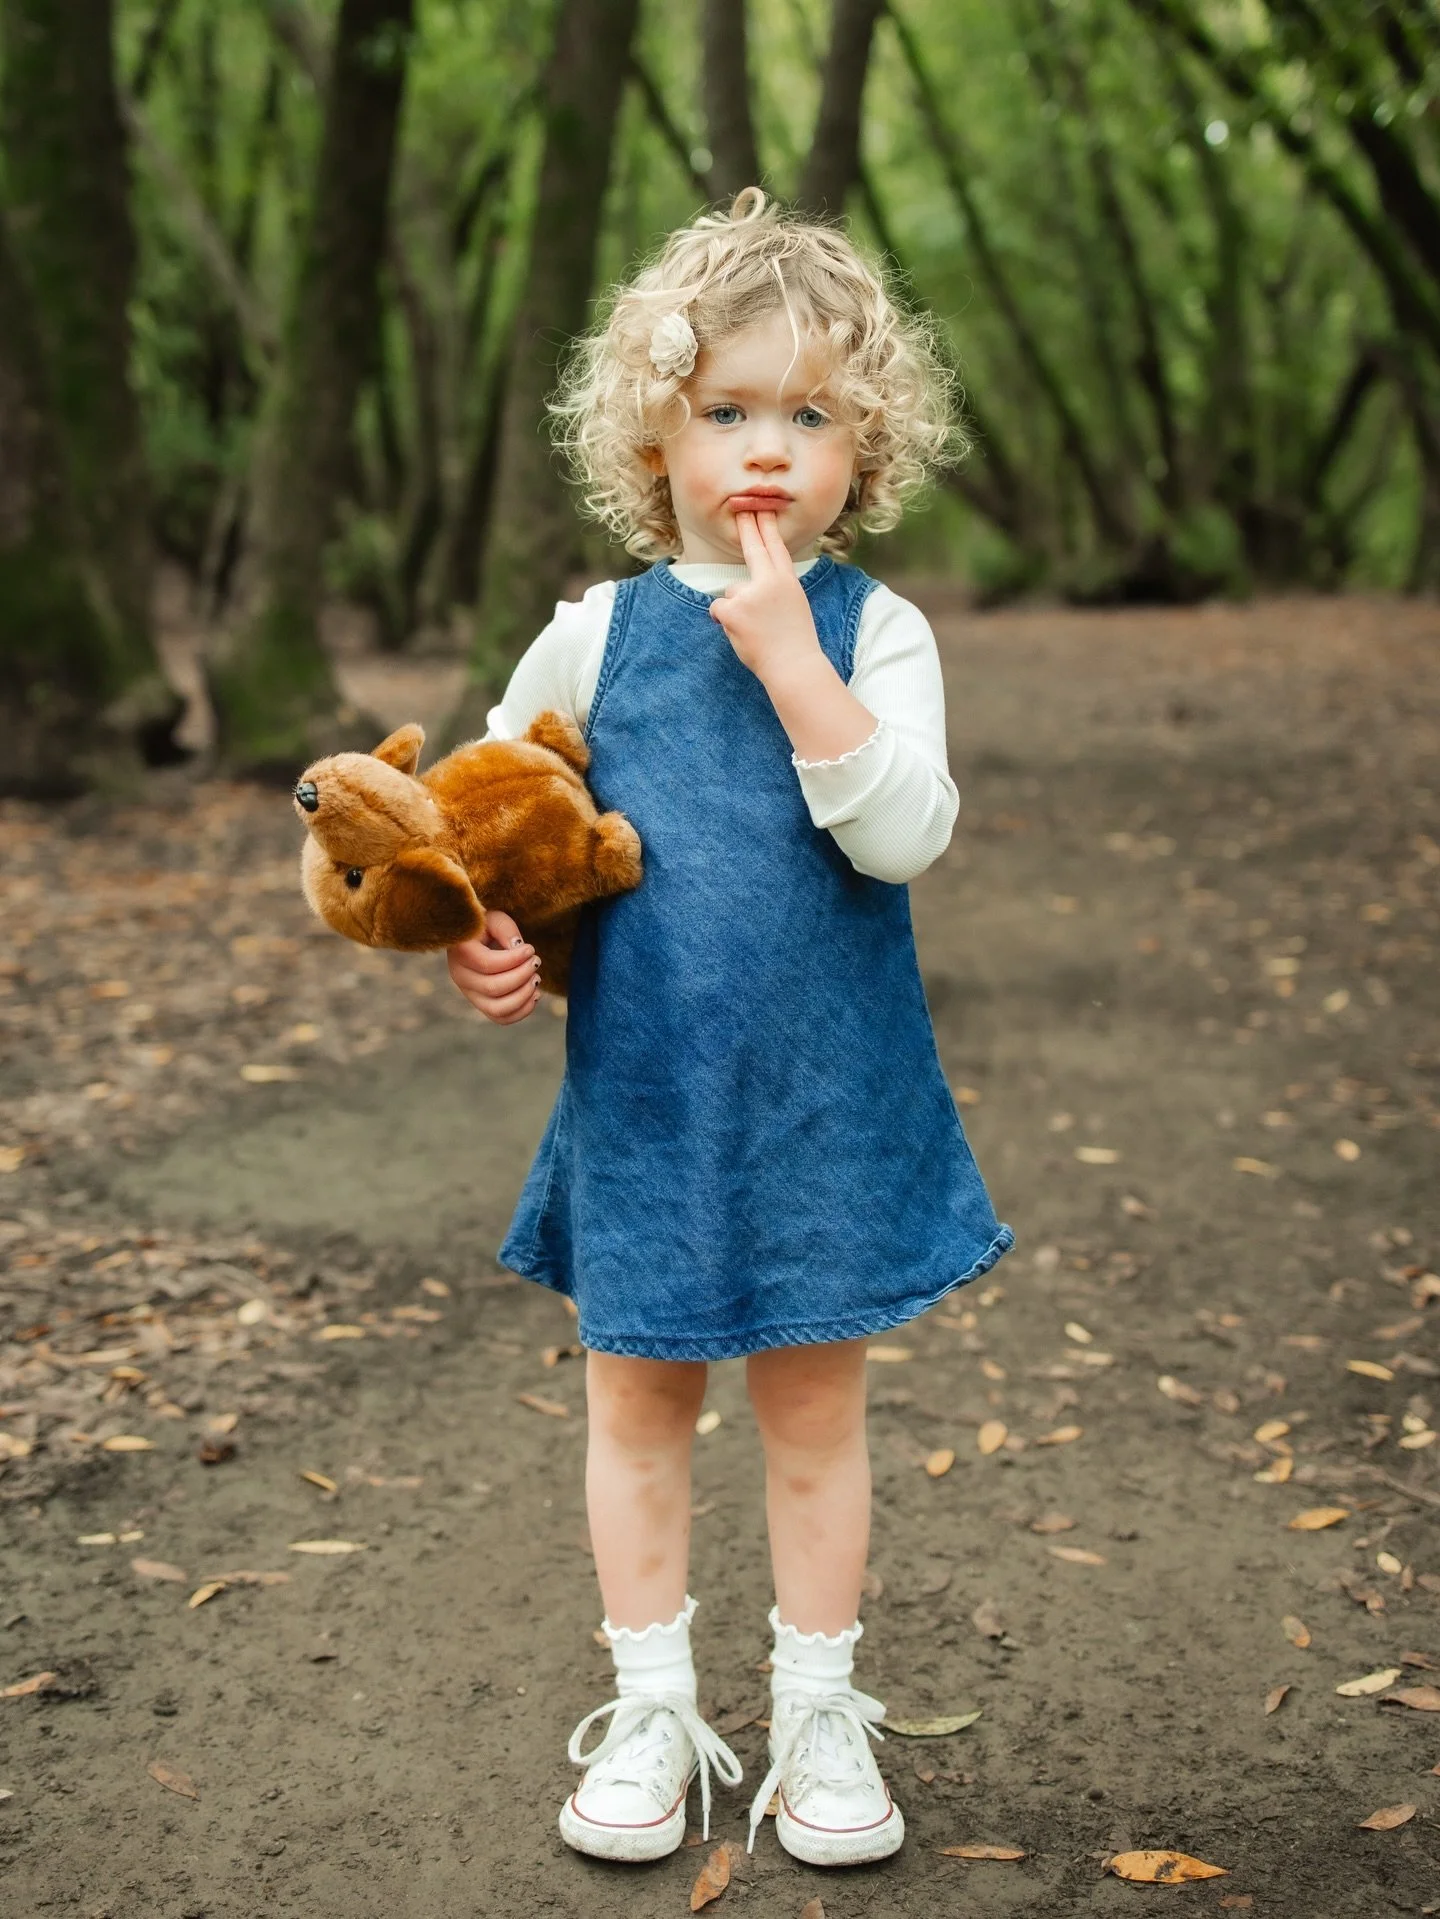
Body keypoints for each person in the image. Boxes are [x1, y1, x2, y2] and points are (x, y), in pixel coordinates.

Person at [446, 187, 1013, 1870]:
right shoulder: (593, 630)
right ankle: (650, 1705)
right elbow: (508, 828)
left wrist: (788, 659)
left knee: (814, 1418)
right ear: (655, 431)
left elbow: (901, 831)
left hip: (827, 1102)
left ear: (866, 448)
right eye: (728, 409)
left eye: (810, 413)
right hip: (644, 1096)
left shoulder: (871, 632)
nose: (767, 448)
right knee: (637, 1412)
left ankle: (821, 1710)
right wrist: (494, 944)